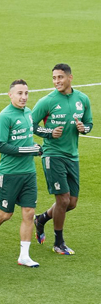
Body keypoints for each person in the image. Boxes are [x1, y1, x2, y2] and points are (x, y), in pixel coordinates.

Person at [0, 80, 42, 268]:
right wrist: (29, 150)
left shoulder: (29, 113)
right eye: (20, 93)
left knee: (29, 213)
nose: (23, 97)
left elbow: (27, 139)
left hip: (29, 172)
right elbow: (1, 146)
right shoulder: (4, 117)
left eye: (26, 93)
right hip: (9, 173)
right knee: (6, 214)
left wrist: (36, 149)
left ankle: (24, 255)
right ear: (10, 95)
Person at [32, 64, 93, 255]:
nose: (57, 81)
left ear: (70, 77)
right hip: (52, 154)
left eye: (60, 77)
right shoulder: (47, 101)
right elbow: (30, 124)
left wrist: (84, 129)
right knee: (63, 199)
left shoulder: (82, 99)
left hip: (72, 156)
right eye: (54, 78)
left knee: (71, 203)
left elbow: (89, 123)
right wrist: (49, 132)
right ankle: (59, 242)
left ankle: (41, 219)